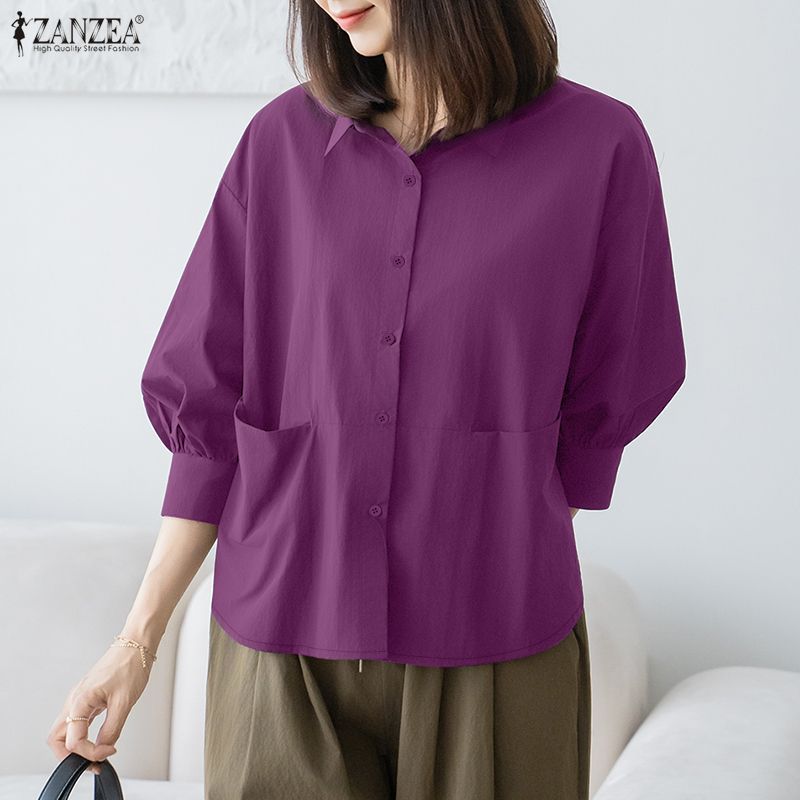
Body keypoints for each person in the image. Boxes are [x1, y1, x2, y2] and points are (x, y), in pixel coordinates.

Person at [47, 0, 686, 797]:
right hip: (281, 649)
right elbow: (209, 406)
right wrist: (135, 644)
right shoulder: (280, 145)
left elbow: (608, 392)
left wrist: (484, 530)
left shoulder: (599, 147)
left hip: (494, 643)